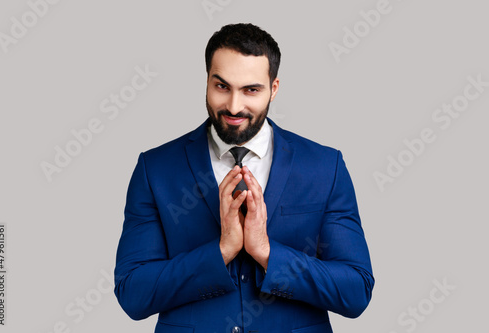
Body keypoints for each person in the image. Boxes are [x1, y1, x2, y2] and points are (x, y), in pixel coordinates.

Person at [114, 23, 374, 333]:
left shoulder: (324, 166)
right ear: (207, 81)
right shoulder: (155, 168)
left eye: (251, 89)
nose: (234, 106)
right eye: (222, 86)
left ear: (273, 89)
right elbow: (133, 294)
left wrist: (266, 252)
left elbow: (356, 291)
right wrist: (220, 251)